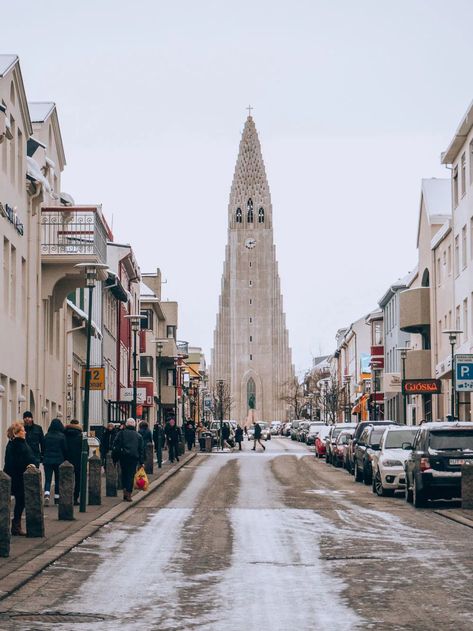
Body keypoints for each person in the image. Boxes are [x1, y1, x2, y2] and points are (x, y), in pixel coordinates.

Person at [4, 421, 36, 535]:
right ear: (16, 433)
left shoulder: (16, 443)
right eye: (22, 430)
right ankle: (15, 526)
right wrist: (29, 464)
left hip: (15, 476)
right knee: (20, 501)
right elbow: (19, 460)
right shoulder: (18, 444)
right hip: (18, 477)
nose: (25, 432)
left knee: (20, 502)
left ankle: (15, 525)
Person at [112, 418, 144, 501]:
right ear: (134, 425)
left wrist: (114, 459)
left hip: (123, 456)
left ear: (126, 424)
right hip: (133, 458)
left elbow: (116, 446)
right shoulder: (138, 436)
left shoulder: (121, 433)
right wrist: (141, 462)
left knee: (124, 474)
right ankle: (129, 494)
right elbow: (141, 449)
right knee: (131, 475)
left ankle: (125, 491)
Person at [43, 418, 66, 505]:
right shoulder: (62, 436)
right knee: (57, 479)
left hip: (47, 460)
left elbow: (43, 448)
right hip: (59, 460)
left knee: (48, 479)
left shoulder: (47, 435)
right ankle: (57, 498)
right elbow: (65, 449)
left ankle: (47, 494)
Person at [64, 419, 82, 505]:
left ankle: (66, 497)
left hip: (66, 460)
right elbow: (85, 449)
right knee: (78, 480)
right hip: (78, 460)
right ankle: (75, 498)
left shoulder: (64, 434)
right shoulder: (81, 435)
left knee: (67, 479)